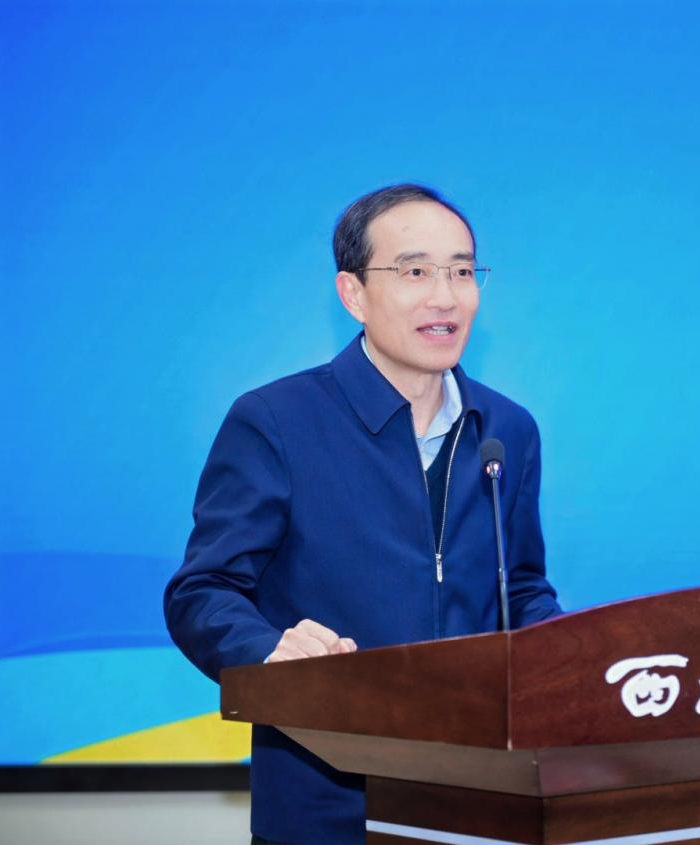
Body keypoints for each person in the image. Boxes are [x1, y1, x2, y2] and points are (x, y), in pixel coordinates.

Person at [164, 184, 563, 844]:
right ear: (353, 293)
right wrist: (267, 649)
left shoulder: (506, 430)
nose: (445, 296)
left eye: (462, 272)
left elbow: (518, 587)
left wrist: (575, 660)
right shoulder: (277, 422)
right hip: (326, 802)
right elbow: (201, 591)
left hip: (481, 799)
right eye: (415, 272)